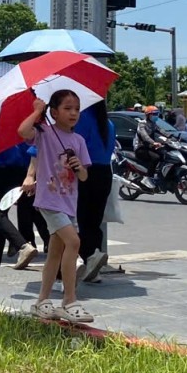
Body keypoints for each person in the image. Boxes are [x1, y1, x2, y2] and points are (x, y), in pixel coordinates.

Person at [21, 90, 93, 323]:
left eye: (76, 109)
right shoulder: (45, 133)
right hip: (49, 202)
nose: (73, 113)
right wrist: (36, 111)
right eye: (67, 108)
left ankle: (42, 301)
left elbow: (83, 177)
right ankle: (69, 301)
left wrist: (78, 166)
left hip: (68, 203)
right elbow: (22, 131)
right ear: (54, 112)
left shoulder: (78, 141)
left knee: (55, 252)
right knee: (74, 242)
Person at [74, 102, 113, 282]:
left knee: (83, 219)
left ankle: (90, 256)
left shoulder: (83, 119)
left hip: (87, 171)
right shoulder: (108, 123)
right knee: (95, 220)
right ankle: (94, 261)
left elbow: (75, 145)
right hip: (105, 173)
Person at [135, 105, 166, 188]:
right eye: (154, 114)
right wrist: (154, 143)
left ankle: (158, 175)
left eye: (157, 114)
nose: (156, 116)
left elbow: (161, 131)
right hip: (140, 148)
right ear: (148, 115)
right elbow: (145, 136)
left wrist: (172, 137)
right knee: (155, 157)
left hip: (149, 147)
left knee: (164, 153)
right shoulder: (142, 124)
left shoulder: (153, 123)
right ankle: (148, 178)